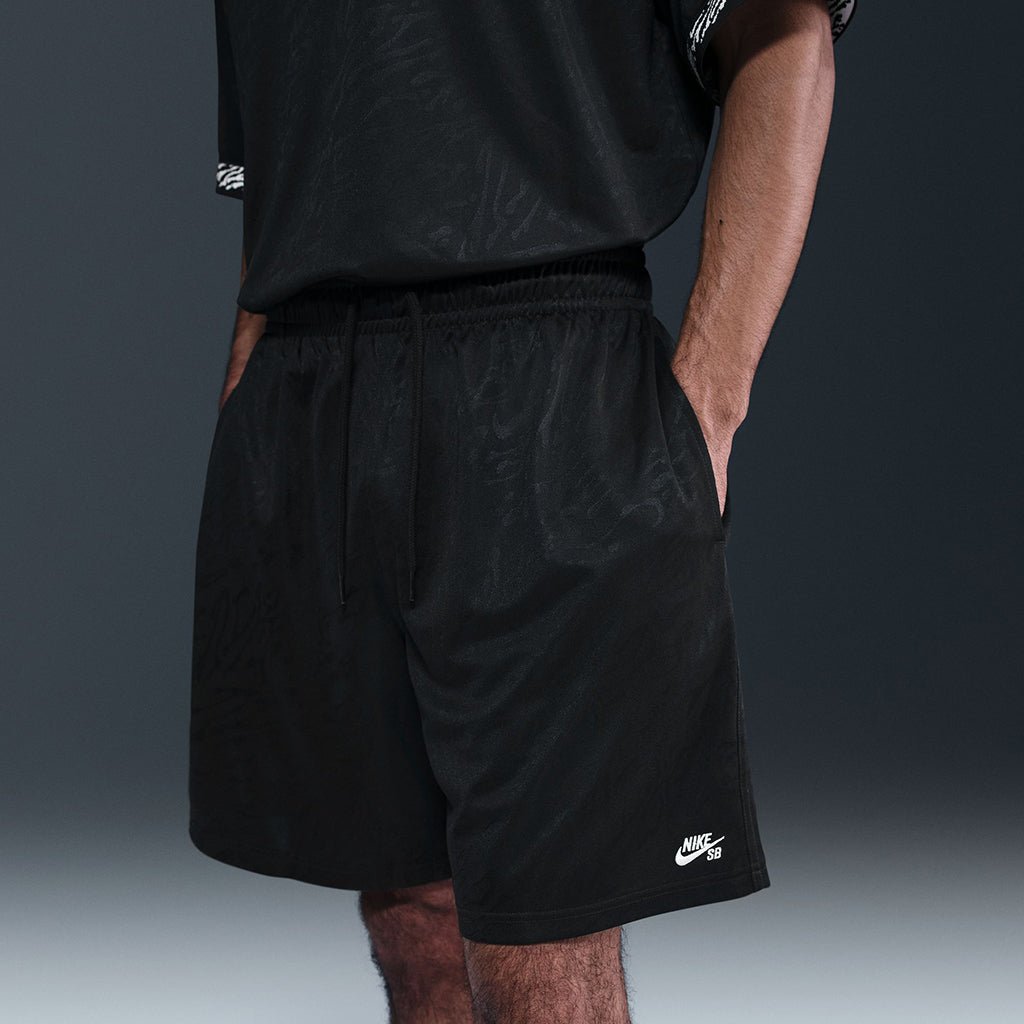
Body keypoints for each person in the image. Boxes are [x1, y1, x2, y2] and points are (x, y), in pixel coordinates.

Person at [188, 0, 857, 1020]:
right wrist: (249, 371)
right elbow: (278, 146)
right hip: (312, 383)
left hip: (547, 378)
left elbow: (783, 32)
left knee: (544, 954)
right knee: (412, 915)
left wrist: (710, 403)